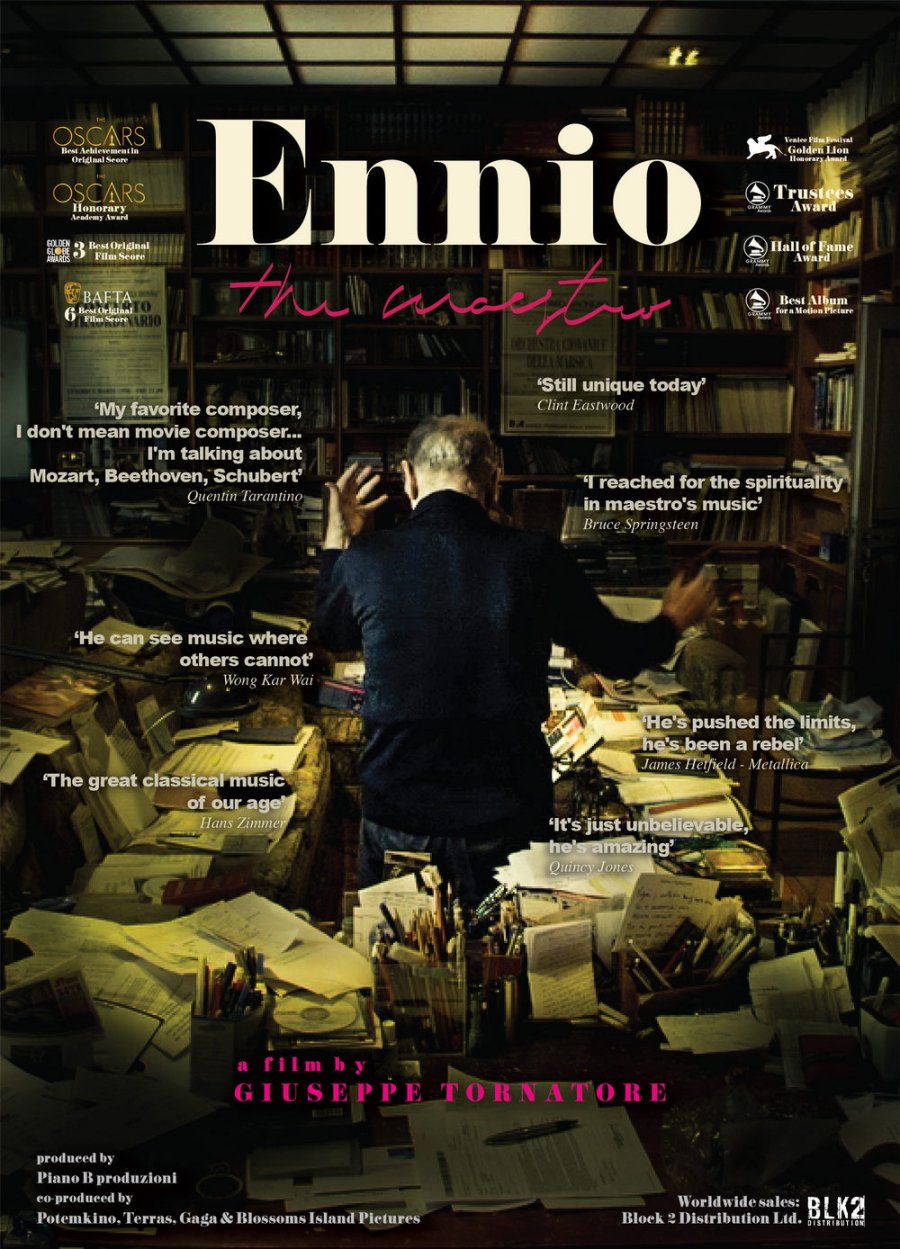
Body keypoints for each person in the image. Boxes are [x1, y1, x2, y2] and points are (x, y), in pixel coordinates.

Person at [315, 416, 713, 902]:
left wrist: (338, 538)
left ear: (408, 476)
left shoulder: (366, 558)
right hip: (506, 816)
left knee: (397, 946)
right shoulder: (536, 557)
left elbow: (332, 632)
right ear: (494, 479)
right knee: (512, 947)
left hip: (400, 813)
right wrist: (672, 620)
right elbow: (618, 654)